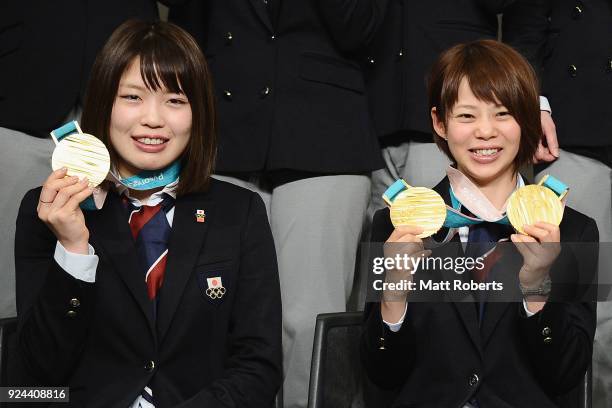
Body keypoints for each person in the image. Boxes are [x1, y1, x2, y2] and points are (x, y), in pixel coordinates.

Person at [14, 20, 282, 407]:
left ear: (199, 113)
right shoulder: (48, 208)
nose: (153, 119)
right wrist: (73, 250)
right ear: (104, 103)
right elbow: (36, 374)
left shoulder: (239, 212)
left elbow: (259, 366)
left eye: (175, 100)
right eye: (132, 97)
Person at [168, 1, 386, 406]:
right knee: (210, 312)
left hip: (324, 132)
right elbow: (185, 26)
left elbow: (363, 28)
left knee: (306, 321)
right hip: (222, 129)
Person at [361, 40, 598, 407]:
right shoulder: (395, 226)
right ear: (440, 123)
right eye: (467, 116)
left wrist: (536, 288)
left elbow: (566, 375)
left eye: (502, 113)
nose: (485, 132)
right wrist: (394, 291)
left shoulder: (574, 231)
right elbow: (381, 374)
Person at [365, 0, 559, 215]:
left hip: (458, 87)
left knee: (461, 233)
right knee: (390, 239)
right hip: (374, 102)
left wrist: (534, 104)